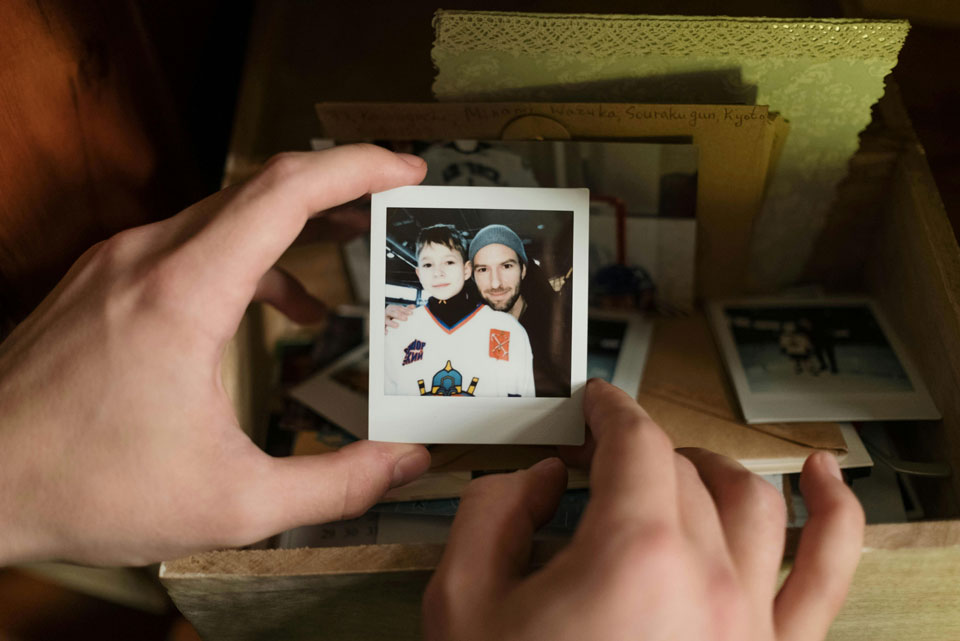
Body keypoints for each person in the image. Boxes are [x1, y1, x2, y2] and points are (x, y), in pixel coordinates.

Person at [0, 145, 865, 640]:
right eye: (467, 265)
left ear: (519, 270)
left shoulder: (519, 329)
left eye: (495, 266)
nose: (482, 277)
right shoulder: (436, 322)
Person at [387, 223, 571, 397]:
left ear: (523, 270)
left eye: (506, 266)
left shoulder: (560, 330)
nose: (496, 282)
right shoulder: (407, 326)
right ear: (471, 274)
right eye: (483, 269)